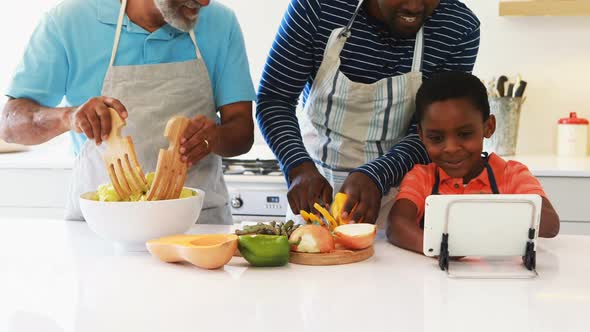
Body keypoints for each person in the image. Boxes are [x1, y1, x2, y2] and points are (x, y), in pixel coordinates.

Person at [0, 0, 256, 224]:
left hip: (198, 227)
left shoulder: (221, 23)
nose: (204, 1)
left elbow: (242, 130)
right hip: (101, 231)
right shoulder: (67, 22)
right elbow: (9, 125)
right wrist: (69, 117)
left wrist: (215, 138)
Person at [256, 0, 480, 226]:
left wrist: (376, 174)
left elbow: (433, 133)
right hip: (313, 195)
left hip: (401, 202)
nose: (414, 6)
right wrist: (298, 167)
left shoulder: (458, 28)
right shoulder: (317, 7)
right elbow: (275, 99)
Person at [387, 71, 560, 254]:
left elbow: (550, 224)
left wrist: (481, 211)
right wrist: (441, 248)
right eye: (436, 138)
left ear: (489, 127)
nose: (451, 148)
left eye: (464, 134)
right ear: (421, 135)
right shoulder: (421, 178)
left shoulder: (512, 175)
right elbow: (396, 225)